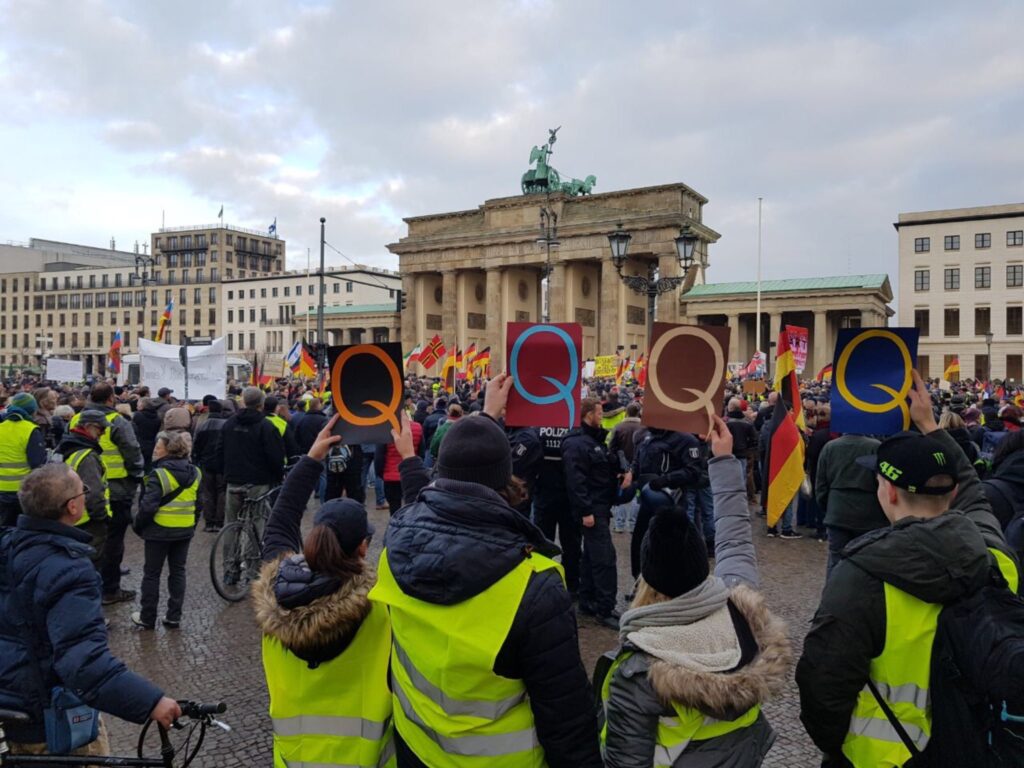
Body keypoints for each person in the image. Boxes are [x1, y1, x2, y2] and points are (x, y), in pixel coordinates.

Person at [370, 374, 604, 767]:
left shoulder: (394, 551)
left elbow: (419, 509)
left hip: (418, 747)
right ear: (505, 479)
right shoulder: (535, 582)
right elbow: (566, 718)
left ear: (440, 471)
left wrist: (484, 417)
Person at [796, 371, 1020, 767]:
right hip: (974, 745)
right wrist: (930, 426)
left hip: (885, 758)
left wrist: (837, 748)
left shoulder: (861, 575)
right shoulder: (997, 558)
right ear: (950, 492)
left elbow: (823, 685)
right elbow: (971, 491)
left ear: (888, 491)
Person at [600, 415, 791, 767]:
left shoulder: (639, 671)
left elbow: (624, 762)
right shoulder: (744, 614)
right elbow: (734, 538)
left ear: (647, 579)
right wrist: (722, 460)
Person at [0, 463, 180, 757]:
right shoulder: (70, 569)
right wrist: (151, 701)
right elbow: (83, 663)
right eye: (83, 490)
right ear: (73, 506)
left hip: (14, 707)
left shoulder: (8, 547)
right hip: (53, 719)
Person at [256, 414, 394, 767]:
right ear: (364, 548)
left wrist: (312, 458)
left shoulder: (275, 594)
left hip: (295, 758)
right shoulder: (382, 603)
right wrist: (407, 459)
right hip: (368, 759)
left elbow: (281, 519)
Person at [69, 382, 144, 606]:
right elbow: (132, 452)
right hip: (117, 487)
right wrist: (135, 475)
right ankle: (109, 589)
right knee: (113, 541)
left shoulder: (75, 418)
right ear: (111, 398)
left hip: (82, 488)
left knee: (89, 538)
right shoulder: (117, 421)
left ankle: (88, 586)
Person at [131, 431, 201, 630]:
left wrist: (138, 525)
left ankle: (147, 617)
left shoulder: (159, 474)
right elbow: (199, 504)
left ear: (168, 450)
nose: (154, 451)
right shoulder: (196, 472)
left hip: (158, 531)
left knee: (152, 574)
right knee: (178, 572)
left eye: (158, 447)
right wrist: (191, 525)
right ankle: (174, 616)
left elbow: (147, 507)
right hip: (184, 530)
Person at [562, 397, 622, 629]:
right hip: (591, 509)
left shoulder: (593, 439)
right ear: (588, 415)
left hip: (600, 506)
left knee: (591, 556)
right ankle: (605, 608)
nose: (602, 416)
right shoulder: (577, 443)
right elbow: (576, 481)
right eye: (599, 413)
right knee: (605, 557)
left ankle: (587, 600)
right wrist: (586, 510)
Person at [814, 432, 887, 578]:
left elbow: (821, 484)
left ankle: (832, 598)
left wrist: (828, 507)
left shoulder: (830, 447)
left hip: (837, 511)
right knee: (866, 563)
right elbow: (883, 483)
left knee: (836, 561)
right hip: (869, 513)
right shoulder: (876, 447)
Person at [221, 386, 285, 541]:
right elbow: (275, 456)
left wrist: (226, 473)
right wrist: (278, 477)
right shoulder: (267, 426)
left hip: (233, 479)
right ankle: (252, 563)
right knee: (257, 522)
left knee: (231, 523)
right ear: (261, 404)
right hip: (258, 482)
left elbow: (219, 450)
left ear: (243, 401)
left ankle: (228, 563)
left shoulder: (229, 423)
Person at [55, 410, 112, 568]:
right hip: (88, 522)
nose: (104, 433)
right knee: (90, 567)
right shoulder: (87, 456)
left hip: (69, 517)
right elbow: (93, 493)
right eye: (101, 429)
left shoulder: (66, 446)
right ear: (88, 427)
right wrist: (102, 517)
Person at [532, 423, 582, 596]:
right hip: (568, 495)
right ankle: (572, 584)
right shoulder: (574, 430)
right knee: (572, 543)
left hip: (545, 494)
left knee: (543, 541)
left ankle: (542, 584)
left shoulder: (537, 430)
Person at [0, 392, 47, 527]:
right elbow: (37, 464)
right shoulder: (31, 430)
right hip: (21, 491)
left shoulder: (1, 427)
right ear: (32, 410)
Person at [192, 399, 228, 532]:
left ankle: (209, 522)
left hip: (206, 464)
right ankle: (219, 522)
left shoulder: (202, 425)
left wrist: (197, 459)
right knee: (221, 491)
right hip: (222, 464)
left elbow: (196, 446)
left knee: (208, 493)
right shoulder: (226, 425)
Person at [609, 402, 644, 534]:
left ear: (626, 413)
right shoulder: (644, 427)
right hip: (639, 467)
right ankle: (633, 525)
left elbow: (612, 449)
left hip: (621, 467)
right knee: (637, 496)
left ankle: (619, 525)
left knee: (622, 495)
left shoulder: (619, 427)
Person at [375, 417, 422, 514]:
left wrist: (380, 473)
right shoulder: (417, 427)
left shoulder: (386, 428)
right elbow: (422, 453)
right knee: (412, 506)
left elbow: (379, 456)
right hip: (411, 473)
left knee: (394, 507)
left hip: (391, 476)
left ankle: (395, 526)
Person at [132, 397, 164, 472]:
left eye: (138, 405)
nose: (137, 407)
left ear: (143, 406)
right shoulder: (157, 417)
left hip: (139, 444)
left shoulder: (137, 415)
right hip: (151, 445)